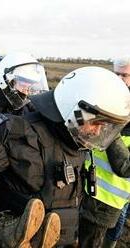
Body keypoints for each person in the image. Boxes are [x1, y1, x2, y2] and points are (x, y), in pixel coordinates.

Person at [0, 66, 130, 248]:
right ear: (76, 111)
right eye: (96, 123)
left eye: (105, 126)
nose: (98, 131)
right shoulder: (14, 131)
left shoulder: (78, 147)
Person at [93, 57, 130, 248]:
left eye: (125, 75)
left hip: (119, 184)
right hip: (95, 177)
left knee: (119, 216)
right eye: (117, 74)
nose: (120, 79)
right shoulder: (105, 96)